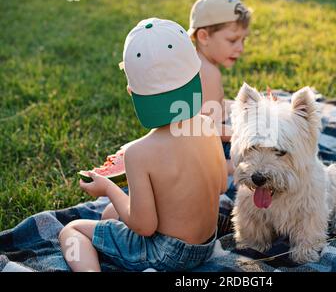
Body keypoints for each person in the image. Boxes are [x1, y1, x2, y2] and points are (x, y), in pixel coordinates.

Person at [58, 18, 228, 272]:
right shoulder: (206, 124)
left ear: (131, 90)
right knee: (109, 217)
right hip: (205, 246)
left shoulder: (138, 153)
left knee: (72, 231)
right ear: (195, 76)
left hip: (165, 255)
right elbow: (222, 185)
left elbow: (144, 226)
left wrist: (108, 188)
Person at [188, 0, 251, 175]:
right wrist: (241, 133)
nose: (240, 48)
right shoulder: (209, 73)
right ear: (204, 37)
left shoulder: (194, 62)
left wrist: (240, 106)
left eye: (243, 40)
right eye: (232, 40)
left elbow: (208, 107)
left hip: (184, 141)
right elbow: (203, 128)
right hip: (200, 150)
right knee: (253, 163)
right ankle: (216, 172)